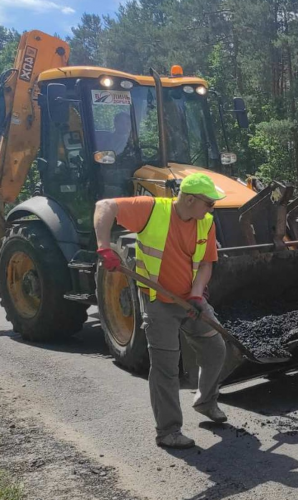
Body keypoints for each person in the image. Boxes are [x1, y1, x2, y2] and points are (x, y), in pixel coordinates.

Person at [94, 172, 228, 449]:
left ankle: (205, 401)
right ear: (190, 199)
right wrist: (104, 247)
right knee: (166, 367)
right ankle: (168, 431)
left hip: (190, 301)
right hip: (159, 302)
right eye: (209, 203)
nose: (211, 209)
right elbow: (104, 206)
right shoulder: (152, 209)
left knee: (216, 348)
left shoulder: (206, 223)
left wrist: (196, 295)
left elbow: (205, 264)